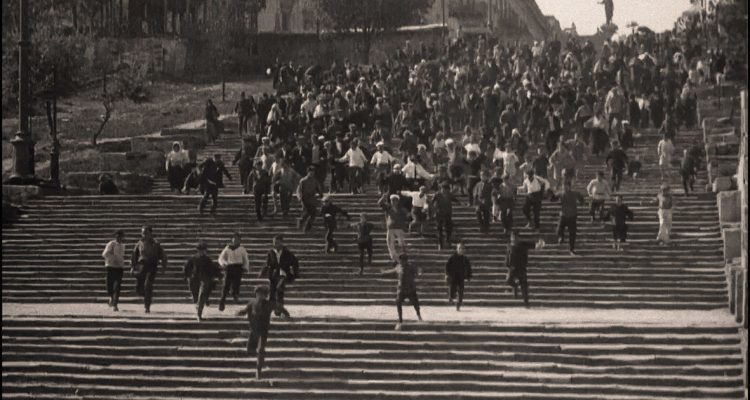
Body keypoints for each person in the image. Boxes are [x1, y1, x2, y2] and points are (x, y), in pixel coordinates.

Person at [236, 285, 274, 380]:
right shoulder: (252, 303)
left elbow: (280, 308)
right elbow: (245, 310)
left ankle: (258, 370)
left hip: (263, 331)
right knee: (249, 350)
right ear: (256, 294)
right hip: (253, 331)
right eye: (258, 294)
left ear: (266, 295)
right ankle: (260, 359)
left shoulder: (269, 304)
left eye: (262, 294)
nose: (260, 296)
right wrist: (240, 312)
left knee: (260, 350)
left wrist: (286, 315)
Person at [259, 235, 299, 318]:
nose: (275, 244)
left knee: (279, 290)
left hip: (283, 274)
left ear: (281, 243)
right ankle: (271, 310)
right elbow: (267, 263)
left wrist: (294, 273)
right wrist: (263, 271)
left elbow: (295, 262)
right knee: (272, 293)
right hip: (274, 275)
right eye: (274, 243)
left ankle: (280, 310)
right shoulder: (271, 252)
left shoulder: (287, 253)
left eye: (277, 243)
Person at [130, 225, 167, 313]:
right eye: (143, 233)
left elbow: (163, 256)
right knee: (139, 288)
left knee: (147, 285)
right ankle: (147, 295)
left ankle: (147, 306)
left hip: (152, 266)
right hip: (141, 266)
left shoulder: (156, 244)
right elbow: (134, 256)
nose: (144, 235)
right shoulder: (139, 243)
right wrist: (132, 267)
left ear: (150, 233)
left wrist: (163, 267)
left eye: (146, 233)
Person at [381, 252, 422, 331]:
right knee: (398, 302)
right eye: (400, 260)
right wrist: (384, 273)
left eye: (403, 260)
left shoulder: (411, 267)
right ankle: (400, 319)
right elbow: (392, 271)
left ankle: (419, 315)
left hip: (410, 289)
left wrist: (419, 272)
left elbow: (417, 270)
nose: (401, 262)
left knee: (416, 304)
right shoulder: (398, 267)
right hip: (401, 289)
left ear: (406, 260)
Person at [183, 240, 222, 321]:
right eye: (200, 250)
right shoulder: (193, 259)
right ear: (198, 250)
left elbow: (214, 268)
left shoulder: (207, 260)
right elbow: (186, 268)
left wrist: (219, 275)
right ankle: (198, 308)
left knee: (202, 295)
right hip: (194, 280)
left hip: (205, 280)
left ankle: (199, 315)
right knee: (196, 298)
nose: (202, 252)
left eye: (203, 250)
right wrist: (187, 276)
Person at [505, 229, 545, 307]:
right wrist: (507, 264)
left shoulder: (523, 244)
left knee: (524, 286)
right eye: (512, 237)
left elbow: (535, 246)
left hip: (521, 268)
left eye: (515, 236)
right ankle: (516, 286)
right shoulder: (509, 246)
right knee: (508, 280)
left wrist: (540, 243)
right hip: (512, 268)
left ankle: (526, 303)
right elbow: (507, 256)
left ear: (517, 237)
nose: (513, 238)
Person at [217, 232, 251, 311]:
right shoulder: (227, 248)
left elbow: (245, 259)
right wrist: (223, 263)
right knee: (226, 284)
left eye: (237, 239)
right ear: (232, 239)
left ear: (240, 240)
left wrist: (246, 267)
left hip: (238, 268)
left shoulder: (242, 249)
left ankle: (235, 294)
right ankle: (222, 301)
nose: (235, 240)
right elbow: (221, 258)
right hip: (229, 267)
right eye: (234, 239)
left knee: (236, 283)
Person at [378, 193, 409, 263]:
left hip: (399, 228)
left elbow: (408, 215)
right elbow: (380, 203)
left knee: (401, 243)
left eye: (395, 200)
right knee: (390, 243)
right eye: (392, 200)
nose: (394, 202)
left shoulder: (401, 209)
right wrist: (383, 197)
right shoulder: (388, 208)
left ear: (398, 201)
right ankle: (394, 258)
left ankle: (403, 257)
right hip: (391, 228)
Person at [557, 181, 585, 255]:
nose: (565, 188)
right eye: (563, 187)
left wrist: (582, 202)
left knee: (572, 233)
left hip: (572, 216)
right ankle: (561, 237)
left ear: (569, 187)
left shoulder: (574, 193)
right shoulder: (561, 194)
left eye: (566, 186)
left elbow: (581, 198)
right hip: (563, 215)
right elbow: (553, 198)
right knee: (559, 229)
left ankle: (571, 249)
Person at [102, 230, 125, 311]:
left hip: (119, 268)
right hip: (110, 267)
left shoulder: (123, 245)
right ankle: (112, 297)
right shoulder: (111, 244)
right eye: (117, 236)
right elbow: (104, 254)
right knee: (109, 286)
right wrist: (113, 259)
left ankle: (115, 304)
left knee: (117, 287)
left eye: (121, 236)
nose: (119, 238)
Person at [444, 242, 472, 311]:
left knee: (461, 292)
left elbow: (469, 268)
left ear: (464, 250)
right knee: (452, 291)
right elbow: (447, 266)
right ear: (457, 249)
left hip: (461, 278)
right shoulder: (452, 257)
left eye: (462, 248)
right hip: (453, 277)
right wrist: (447, 274)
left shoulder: (465, 259)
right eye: (460, 248)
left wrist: (469, 276)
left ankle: (458, 305)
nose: (461, 250)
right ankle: (451, 297)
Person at [432, 182, 460, 250]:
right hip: (439, 214)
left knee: (449, 228)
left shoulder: (449, 194)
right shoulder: (437, 194)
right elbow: (432, 202)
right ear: (441, 188)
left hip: (447, 214)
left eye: (446, 189)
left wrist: (461, 203)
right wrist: (433, 211)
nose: (444, 191)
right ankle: (440, 244)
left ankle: (448, 241)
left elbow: (455, 200)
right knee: (439, 229)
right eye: (443, 189)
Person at [296, 166, 323, 233]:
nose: (312, 174)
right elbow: (299, 190)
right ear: (308, 172)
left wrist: (320, 194)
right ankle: (306, 227)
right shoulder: (303, 180)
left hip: (312, 199)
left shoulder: (315, 180)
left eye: (313, 172)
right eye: (310, 172)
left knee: (311, 214)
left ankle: (304, 223)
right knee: (311, 212)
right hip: (305, 199)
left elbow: (318, 188)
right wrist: (300, 198)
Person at [472, 169, 493, 233]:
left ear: (486, 176)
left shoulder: (490, 184)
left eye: (483, 175)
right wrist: (476, 201)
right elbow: (475, 193)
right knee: (478, 212)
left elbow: (493, 193)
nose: (482, 176)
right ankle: (481, 226)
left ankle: (486, 228)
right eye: (481, 175)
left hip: (487, 202)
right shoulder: (478, 184)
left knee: (487, 215)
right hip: (479, 201)